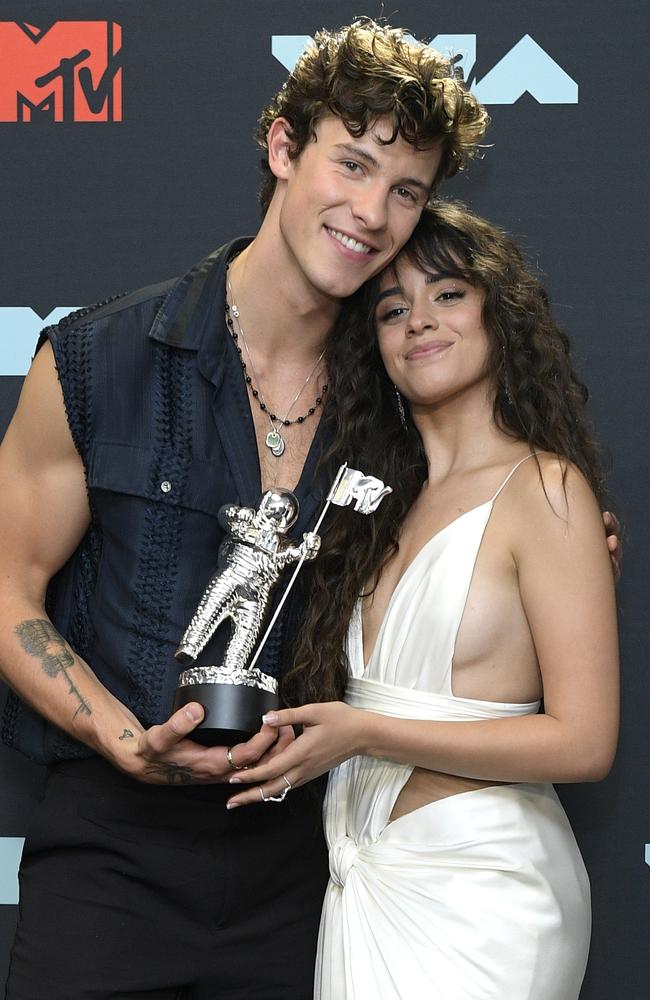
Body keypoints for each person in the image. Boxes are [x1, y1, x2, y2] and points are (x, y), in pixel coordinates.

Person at [0, 20, 489, 1000]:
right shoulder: (100, 361)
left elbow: (498, 501)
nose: (370, 213)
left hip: (307, 866)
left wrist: (567, 528)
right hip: (110, 857)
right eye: (350, 164)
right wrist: (122, 739)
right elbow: (9, 587)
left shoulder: (403, 395)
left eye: (404, 190)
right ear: (280, 146)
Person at [225, 202, 620, 999]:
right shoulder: (374, 511)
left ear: (496, 313)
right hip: (361, 875)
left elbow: (584, 744)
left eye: (448, 294)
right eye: (392, 308)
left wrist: (365, 731)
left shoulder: (546, 490)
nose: (419, 323)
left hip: (486, 895)